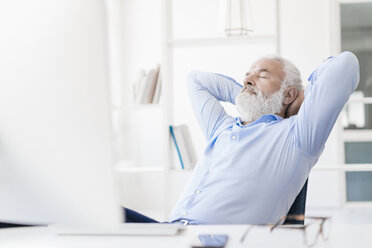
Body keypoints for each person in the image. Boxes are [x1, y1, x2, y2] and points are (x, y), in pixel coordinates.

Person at [167, 51, 359, 225]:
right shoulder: (221, 127)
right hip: (170, 231)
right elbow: (196, 81)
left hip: (216, 240)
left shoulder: (297, 135)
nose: (248, 80)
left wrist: (298, 99)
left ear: (289, 94)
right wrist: (250, 97)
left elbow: (345, 65)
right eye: (247, 75)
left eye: (263, 75)